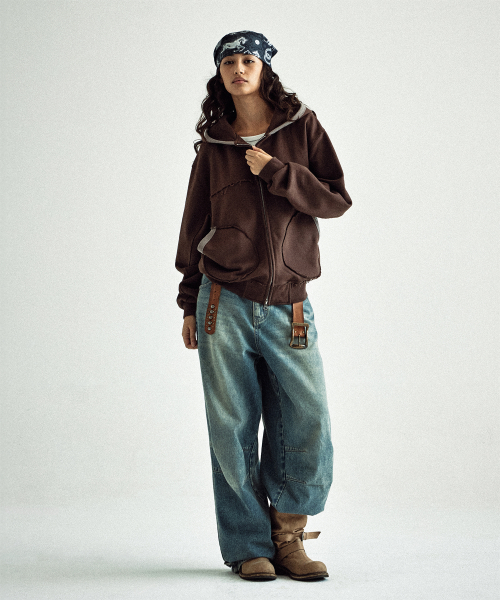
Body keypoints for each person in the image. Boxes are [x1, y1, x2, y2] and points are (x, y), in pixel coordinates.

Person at [175, 30, 352, 581]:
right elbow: (194, 224)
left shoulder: (302, 126)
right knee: (230, 427)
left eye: (248, 59)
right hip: (221, 302)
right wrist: (188, 301)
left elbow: (336, 200)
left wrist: (276, 171)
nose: (238, 68)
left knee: (306, 419)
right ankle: (247, 544)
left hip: (290, 304)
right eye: (228, 61)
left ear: (265, 68)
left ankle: (288, 536)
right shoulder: (215, 144)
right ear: (220, 73)